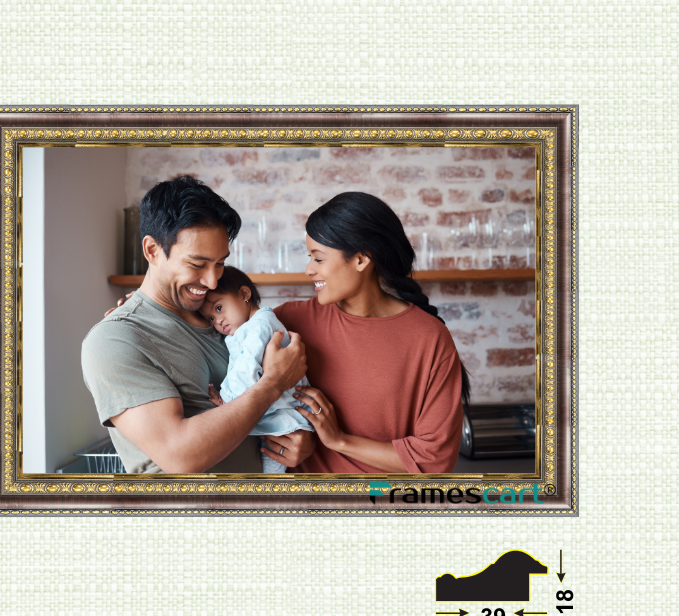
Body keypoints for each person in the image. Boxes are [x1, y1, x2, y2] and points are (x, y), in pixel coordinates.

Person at [80, 176, 312, 474]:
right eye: (197, 264)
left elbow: (261, 417)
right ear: (152, 250)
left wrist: (300, 440)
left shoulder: (224, 322)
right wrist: (273, 384)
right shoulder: (116, 340)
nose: (213, 280)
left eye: (220, 263)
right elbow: (180, 457)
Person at [263, 191, 470, 475]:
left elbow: (434, 461)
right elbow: (243, 401)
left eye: (319, 258)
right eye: (309, 257)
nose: (309, 269)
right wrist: (291, 438)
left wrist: (339, 441)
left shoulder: (429, 338)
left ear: (361, 260)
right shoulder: (285, 322)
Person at [199, 266, 315, 474]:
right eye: (210, 318)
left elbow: (246, 368)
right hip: (278, 416)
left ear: (244, 294)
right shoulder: (250, 326)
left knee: (268, 480)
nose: (217, 321)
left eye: (218, 308)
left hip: (283, 420)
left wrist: (226, 401)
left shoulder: (258, 327)